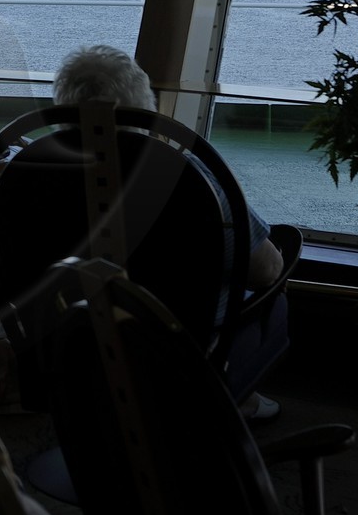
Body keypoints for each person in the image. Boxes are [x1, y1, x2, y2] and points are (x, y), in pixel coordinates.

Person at [51, 44, 284, 420]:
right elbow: (264, 271)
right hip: (176, 356)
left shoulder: (35, 178)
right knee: (278, 288)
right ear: (146, 105)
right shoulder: (189, 178)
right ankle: (232, 396)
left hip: (71, 347)